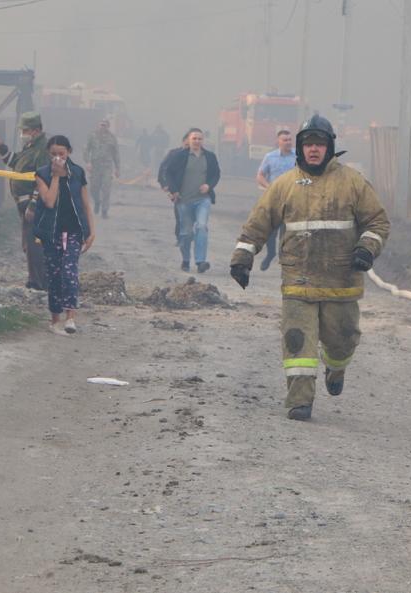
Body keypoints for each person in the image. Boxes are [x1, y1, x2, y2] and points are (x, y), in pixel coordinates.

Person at [229, 115, 390, 421]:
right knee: (297, 341)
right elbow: (258, 223)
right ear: (300, 149)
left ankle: (336, 367)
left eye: (319, 144)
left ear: (330, 147)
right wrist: (242, 257)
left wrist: (366, 249)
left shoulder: (353, 182)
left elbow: (378, 222)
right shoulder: (284, 185)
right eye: (308, 145)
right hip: (298, 280)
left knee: (342, 339)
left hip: (341, 281)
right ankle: (299, 401)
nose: (313, 150)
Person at [34, 135, 96, 335]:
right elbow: (49, 201)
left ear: (69, 152)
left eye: (61, 153)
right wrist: (55, 176)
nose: (58, 157)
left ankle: (70, 317)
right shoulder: (42, 174)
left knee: (69, 272)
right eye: (54, 154)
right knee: (54, 275)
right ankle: (55, 319)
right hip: (51, 232)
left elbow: (86, 203)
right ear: (48, 154)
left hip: (74, 231)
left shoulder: (77, 172)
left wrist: (91, 231)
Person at [0, 111, 49, 290]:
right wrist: (0, 146)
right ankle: (40, 279)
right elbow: (14, 162)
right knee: (28, 243)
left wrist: (34, 204)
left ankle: (37, 282)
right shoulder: (30, 148)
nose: (22, 133)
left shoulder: (42, 150)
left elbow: (42, 179)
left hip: (33, 203)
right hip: (24, 202)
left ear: (35, 130)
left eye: (25, 130)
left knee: (33, 243)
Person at [164, 128, 221, 273]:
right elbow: (168, 173)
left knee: (202, 227)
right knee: (186, 233)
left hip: (203, 200)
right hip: (184, 200)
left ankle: (201, 261)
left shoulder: (210, 157)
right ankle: (185, 260)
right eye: (194, 138)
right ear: (188, 140)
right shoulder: (179, 156)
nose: (197, 141)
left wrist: (209, 185)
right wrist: (174, 190)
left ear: (203, 141)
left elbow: (216, 174)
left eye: (199, 139)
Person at [255, 129, 296, 271]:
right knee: (271, 231)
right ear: (278, 142)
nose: (288, 142)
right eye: (285, 140)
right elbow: (260, 175)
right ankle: (270, 253)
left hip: (292, 199)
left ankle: (283, 258)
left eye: (290, 140)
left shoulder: (298, 157)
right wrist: (268, 187)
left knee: (287, 232)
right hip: (274, 200)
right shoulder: (270, 157)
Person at [158, 132, 190, 246]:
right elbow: (164, 168)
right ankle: (180, 237)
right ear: (184, 140)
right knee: (180, 214)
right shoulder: (174, 153)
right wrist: (164, 183)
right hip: (177, 189)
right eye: (189, 140)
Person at [83, 119, 120, 219]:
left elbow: (116, 154)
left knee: (106, 188)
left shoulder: (112, 138)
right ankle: (97, 202)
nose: (102, 127)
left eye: (104, 125)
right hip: (95, 166)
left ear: (108, 126)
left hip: (107, 166)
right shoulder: (92, 136)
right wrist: (87, 162)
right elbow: (86, 150)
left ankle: (104, 210)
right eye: (101, 125)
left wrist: (117, 168)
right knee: (93, 188)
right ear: (98, 125)